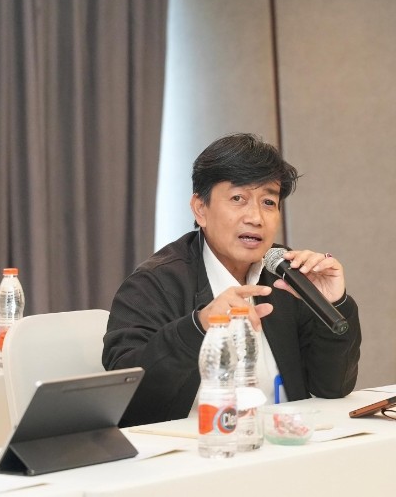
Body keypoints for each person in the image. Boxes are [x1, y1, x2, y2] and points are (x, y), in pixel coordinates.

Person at [103, 133, 361, 427]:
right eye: (238, 199)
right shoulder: (154, 284)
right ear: (200, 209)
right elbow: (128, 394)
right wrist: (199, 325)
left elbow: (332, 387)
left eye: (268, 202)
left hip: (281, 439)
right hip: (197, 446)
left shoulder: (286, 276)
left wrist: (334, 303)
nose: (255, 217)